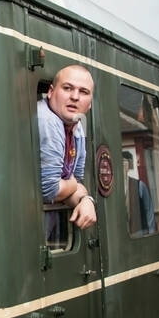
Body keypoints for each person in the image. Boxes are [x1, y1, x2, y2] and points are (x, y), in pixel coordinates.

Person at [38, 65, 97, 231]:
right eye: (67, 88)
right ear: (50, 92)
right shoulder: (48, 120)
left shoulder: (77, 125)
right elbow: (50, 191)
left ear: (90, 104)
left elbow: (77, 181)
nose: (75, 97)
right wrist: (70, 185)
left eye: (83, 92)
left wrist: (86, 200)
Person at [122, 150, 155, 234]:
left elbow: (149, 210)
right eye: (120, 162)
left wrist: (151, 232)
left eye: (124, 161)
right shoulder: (112, 188)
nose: (122, 165)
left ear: (129, 165)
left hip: (139, 232)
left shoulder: (139, 185)